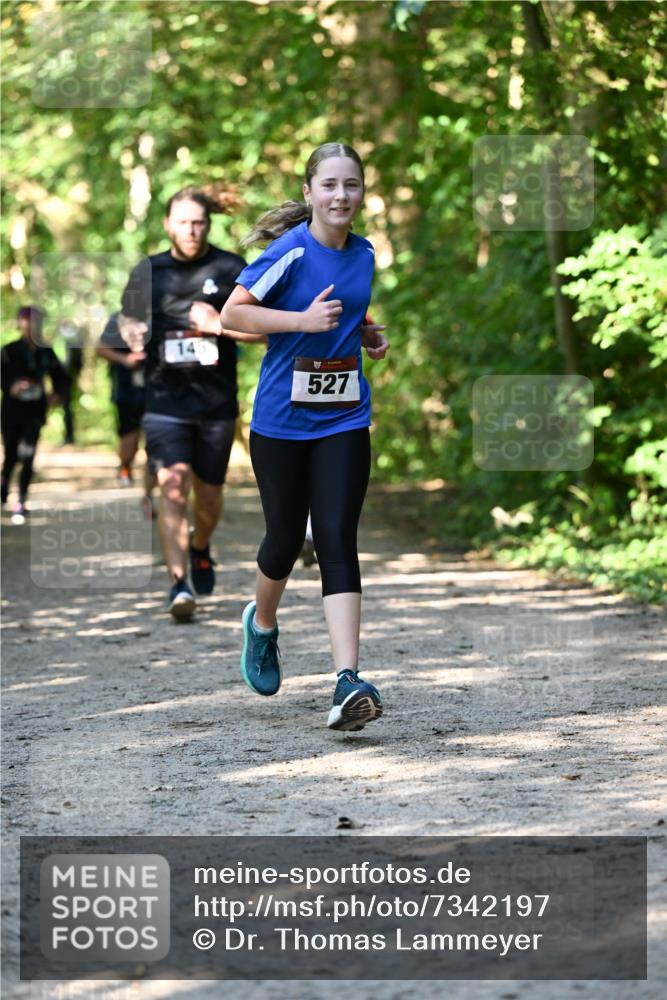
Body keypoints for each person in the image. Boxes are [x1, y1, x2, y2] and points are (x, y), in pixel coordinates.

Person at [220, 142, 389, 732]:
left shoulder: (365, 253)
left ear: (362, 192)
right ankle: (262, 624)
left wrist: (363, 332)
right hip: (281, 424)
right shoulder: (288, 251)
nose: (341, 196)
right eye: (330, 185)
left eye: (352, 185)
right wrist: (299, 323)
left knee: (338, 534)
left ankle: (348, 680)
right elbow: (232, 316)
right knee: (285, 539)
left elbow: (347, 310)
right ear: (311, 191)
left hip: (344, 416)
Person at [118, 186, 248, 620]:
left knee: (208, 501)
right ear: (167, 225)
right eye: (183, 222)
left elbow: (268, 330)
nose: (192, 230)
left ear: (208, 225)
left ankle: (200, 547)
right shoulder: (148, 271)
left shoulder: (231, 267)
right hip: (163, 404)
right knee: (172, 488)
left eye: (199, 223)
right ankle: (179, 585)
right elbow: (127, 318)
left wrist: (219, 326)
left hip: (215, 406)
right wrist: (131, 330)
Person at [1, 306, 67, 523]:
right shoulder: (9, 350)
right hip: (12, 411)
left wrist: (55, 395)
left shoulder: (46, 351)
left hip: (34, 411)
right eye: (27, 323)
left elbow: (61, 378)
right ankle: (3, 492)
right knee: (11, 455)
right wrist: (12, 386)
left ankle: (21, 501)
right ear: (20, 324)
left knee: (28, 455)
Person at [96, 311, 156, 514]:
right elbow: (100, 348)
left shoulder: (161, 312)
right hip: (126, 392)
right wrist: (125, 359)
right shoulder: (117, 319)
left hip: (157, 394)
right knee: (129, 444)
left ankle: (148, 497)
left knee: (154, 447)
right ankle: (125, 467)